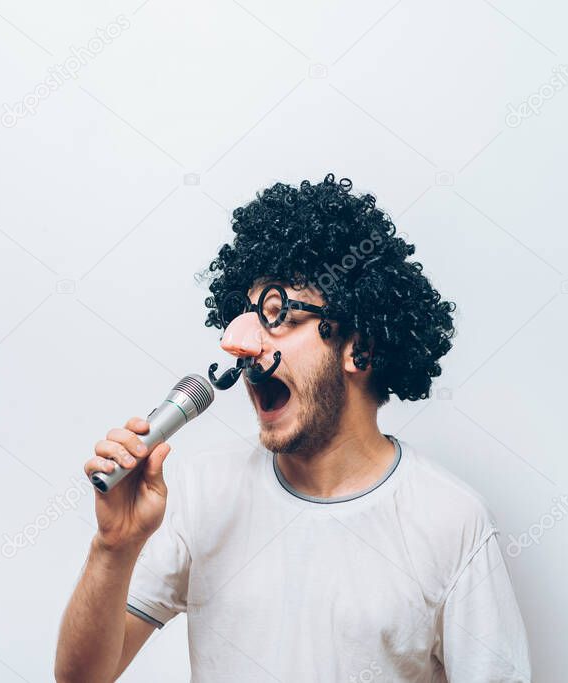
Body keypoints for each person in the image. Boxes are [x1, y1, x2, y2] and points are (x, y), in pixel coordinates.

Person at [55, 174, 531, 682]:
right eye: (247, 313)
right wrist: (114, 548)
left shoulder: (451, 522)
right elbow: (81, 679)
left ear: (360, 348)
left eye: (277, 314)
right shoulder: (203, 494)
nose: (244, 345)